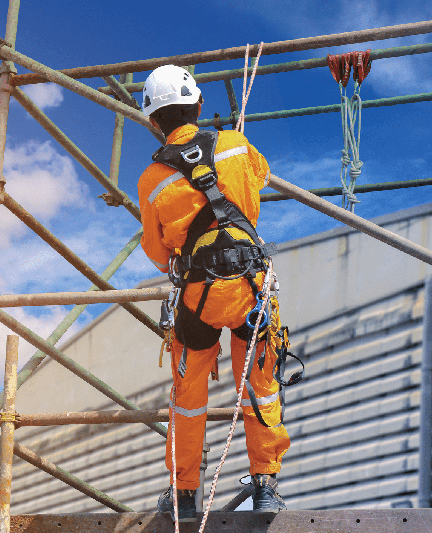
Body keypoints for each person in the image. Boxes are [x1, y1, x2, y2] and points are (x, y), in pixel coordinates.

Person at [136, 65, 290, 522]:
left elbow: (157, 252)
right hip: (250, 289)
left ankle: (184, 495)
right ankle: (264, 485)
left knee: (189, 397)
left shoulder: (152, 180)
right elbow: (259, 178)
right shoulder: (236, 145)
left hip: (197, 297)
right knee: (260, 387)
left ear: (153, 121)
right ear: (199, 105)